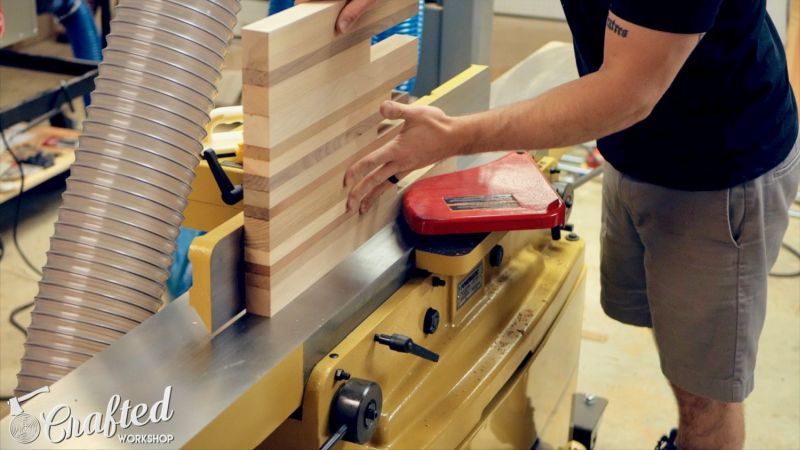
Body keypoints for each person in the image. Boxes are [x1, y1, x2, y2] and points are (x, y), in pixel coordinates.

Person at [308, 0, 800, 448]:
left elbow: (626, 95)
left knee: (706, 391)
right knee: (678, 345)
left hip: (717, 173)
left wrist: (455, 137)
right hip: (638, 150)